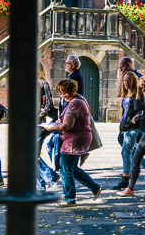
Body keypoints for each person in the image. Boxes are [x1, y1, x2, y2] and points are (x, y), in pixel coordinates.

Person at [42, 79, 101, 206]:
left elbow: (67, 126)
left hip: (73, 140)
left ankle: (69, 199)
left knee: (66, 169)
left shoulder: (74, 104)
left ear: (69, 91)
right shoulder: (80, 99)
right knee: (73, 168)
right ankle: (95, 187)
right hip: (80, 138)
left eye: (64, 93)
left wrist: (52, 127)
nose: (63, 96)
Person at [112, 70, 145, 190]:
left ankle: (125, 179)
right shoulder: (126, 94)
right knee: (134, 152)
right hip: (124, 127)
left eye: (129, 80)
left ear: (134, 81)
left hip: (133, 128)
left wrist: (138, 116)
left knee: (126, 153)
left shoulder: (137, 94)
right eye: (125, 81)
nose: (126, 83)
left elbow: (142, 108)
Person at [37, 62, 59, 191]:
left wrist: (37, 116)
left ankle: (51, 176)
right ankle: (40, 187)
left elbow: (47, 105)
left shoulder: (43, 84)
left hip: (42, 123)